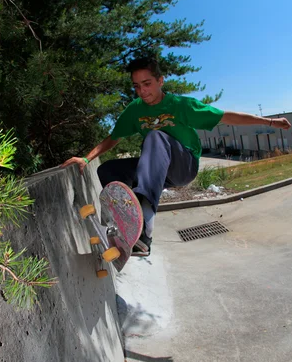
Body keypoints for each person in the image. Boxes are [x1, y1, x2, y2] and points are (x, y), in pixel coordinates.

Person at [61, 57, 291, 256]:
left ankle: (145, 229)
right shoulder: (135, 110)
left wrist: (270, 122)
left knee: (155, 136)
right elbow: (114, 137)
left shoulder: (181, 105)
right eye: (137, 86)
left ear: (161, 81)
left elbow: (227, 117)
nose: (143, 92)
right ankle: (124, 220)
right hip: (159, 170)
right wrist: (86, 159)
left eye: (148, 84)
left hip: (184, 166)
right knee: (108, 170)